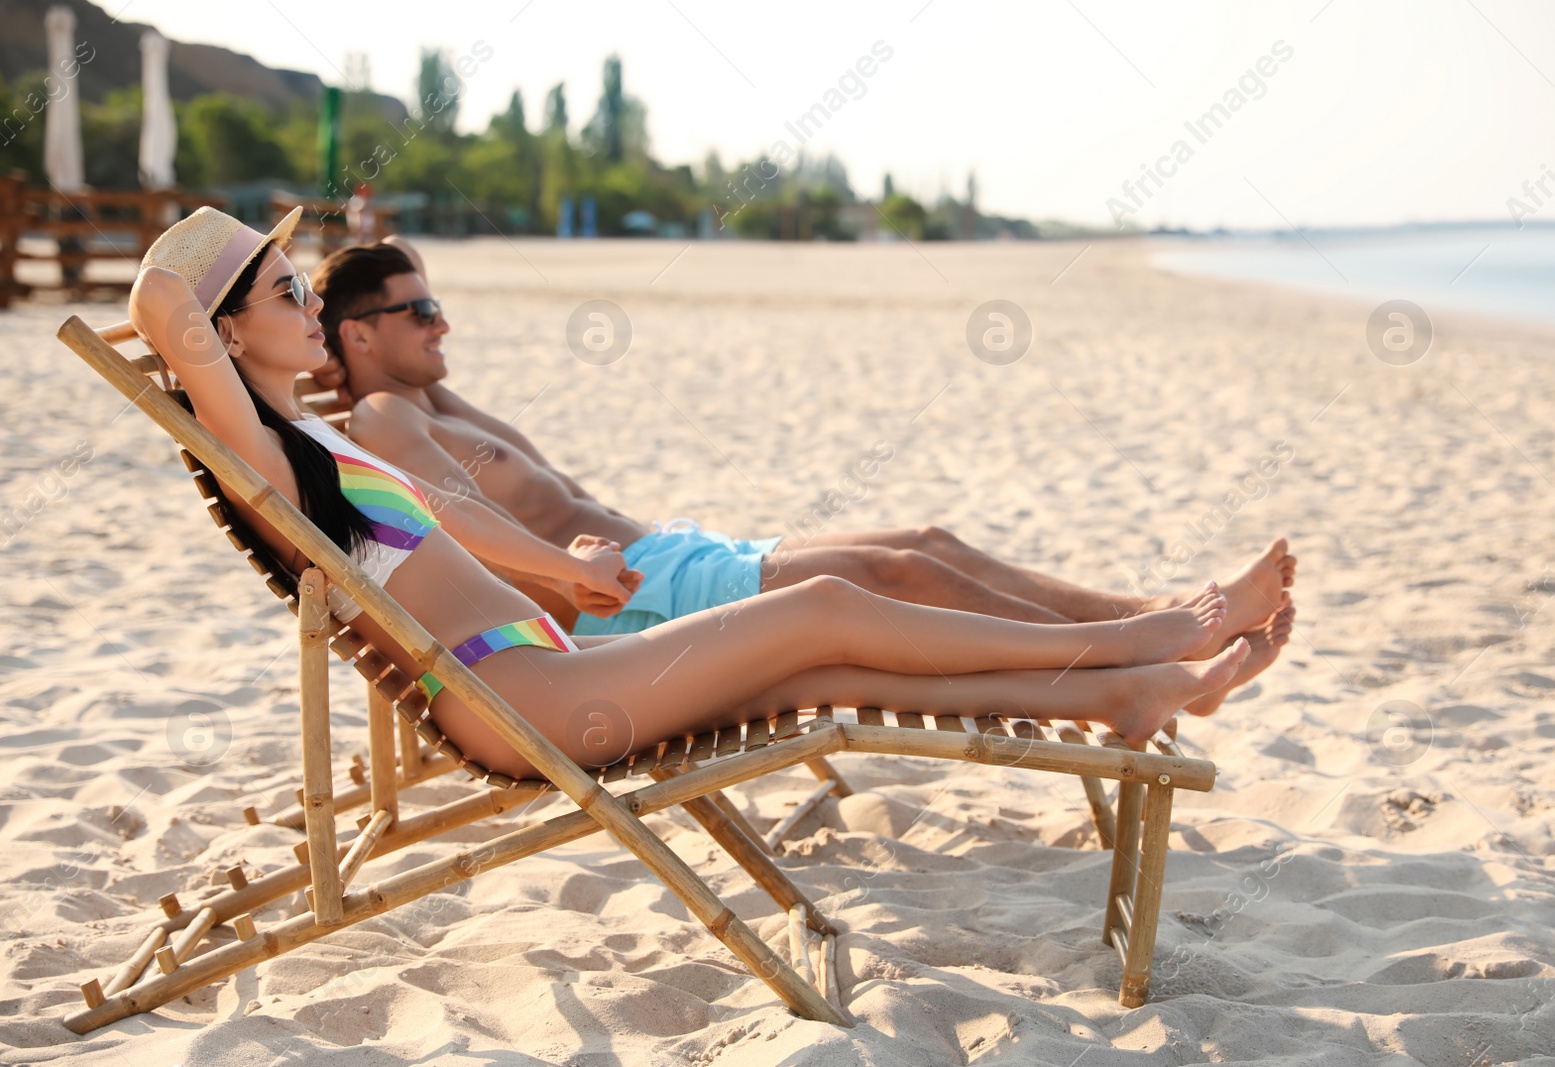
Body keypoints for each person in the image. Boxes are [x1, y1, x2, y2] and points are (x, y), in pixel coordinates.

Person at [130, 206, 1253, 776]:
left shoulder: (321, 446)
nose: (310, 302)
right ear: (227, 331)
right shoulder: (268, 450)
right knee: (818, 609)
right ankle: (1140, 635)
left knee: (818, 660)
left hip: (545, 666)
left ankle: (1119, 692)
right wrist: (211, 264)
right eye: (285, 288)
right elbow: (158, 305)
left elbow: (459, 520)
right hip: (516, 697)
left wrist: (560, 564)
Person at [308, 239, 1297, 713]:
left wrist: (356, 338)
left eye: (437, 303)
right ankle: (1133, 646)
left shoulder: (425, 401)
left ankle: (1152, 615)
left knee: (924, 547)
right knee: (897, 576)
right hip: (630, 599)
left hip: (673, 553)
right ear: (360, 334)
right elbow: (452, 517)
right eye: (418, 309)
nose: (443, 322)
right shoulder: (386, 415)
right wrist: (568, 571)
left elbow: (458, 470)